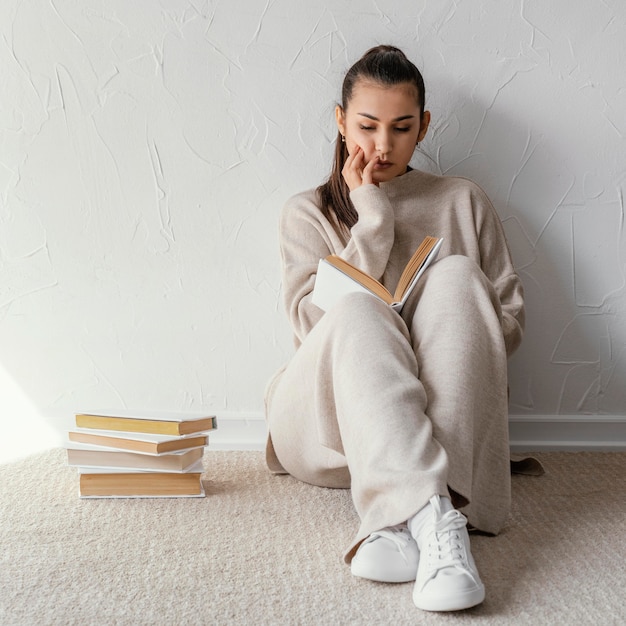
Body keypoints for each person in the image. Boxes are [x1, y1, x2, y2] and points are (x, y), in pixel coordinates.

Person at [264, 45, 524, 612]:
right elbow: (312, 328)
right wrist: (372, 216)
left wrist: (433, 336)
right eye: (366, 126)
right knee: (358, 311)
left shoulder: (463, 200)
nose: (383, 146)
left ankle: (411, 519)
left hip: (431, 418)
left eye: (402, 128)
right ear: (340, 121)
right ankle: (439, 511)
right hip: (324, 425)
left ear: (424, 125)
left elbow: (505, 322)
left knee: (458, 276)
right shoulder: (306, 212)